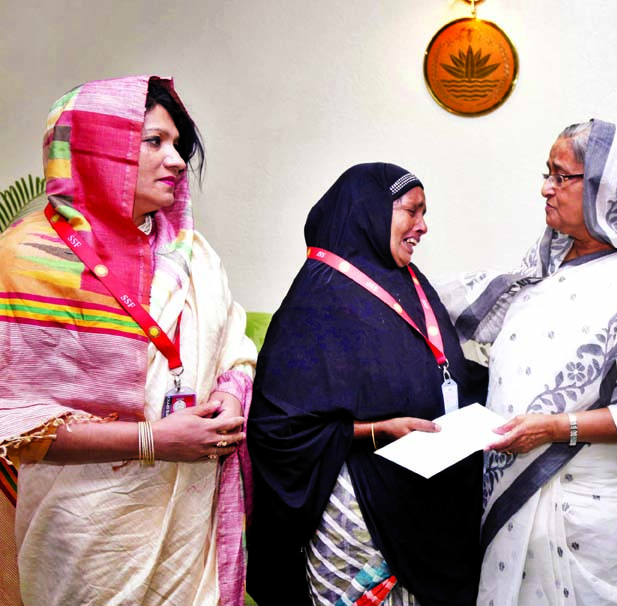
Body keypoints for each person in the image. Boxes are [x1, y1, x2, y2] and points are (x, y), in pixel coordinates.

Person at [0, 76, 257, 606]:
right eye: (153, 142)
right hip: (89, 530)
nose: (178, 160)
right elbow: (15, 421)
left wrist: (229, 398)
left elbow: (233, 343)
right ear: (96, 149)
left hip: (188, 510)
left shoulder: (193, 253)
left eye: (178, 145)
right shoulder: (27, 260)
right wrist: (154, 441)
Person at [439, 119, 617, 605]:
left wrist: (553, 428)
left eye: (560, 176)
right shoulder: (551, 260)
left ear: (606, 190)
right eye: (546, 173)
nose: (545, 188)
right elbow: (486, 312)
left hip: (599, 515)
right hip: (520, 487)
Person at [246, 163, 488, 606]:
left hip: (428, 505)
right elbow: (275, 429)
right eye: (411, 212)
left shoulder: (412, 284)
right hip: (357, 515)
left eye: (425, 213)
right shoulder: (319, 300)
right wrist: (380, 429)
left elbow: (443, 370)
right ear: (370, 212)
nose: (423, 226)